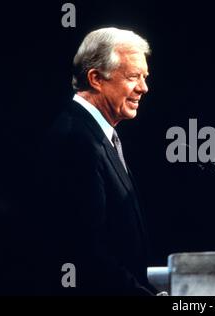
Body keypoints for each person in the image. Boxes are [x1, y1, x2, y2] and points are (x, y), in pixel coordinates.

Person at [32, 27, 157, 295]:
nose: (143, 88)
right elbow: (84, 252)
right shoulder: (75, 140)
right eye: (133, 77)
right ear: (96, 78)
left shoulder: (97, 134)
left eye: (144, 77)